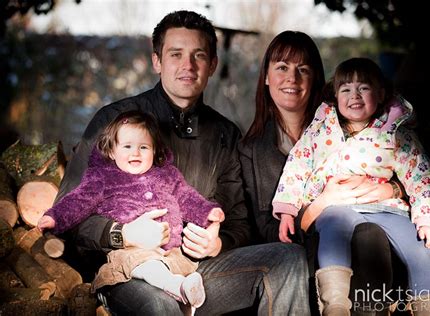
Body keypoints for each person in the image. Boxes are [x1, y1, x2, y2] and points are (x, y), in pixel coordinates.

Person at [55, 10, 310, 315]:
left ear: (212, 64)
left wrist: (218, 243)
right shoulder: (114, 122)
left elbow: (240, 223)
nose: (187, 66)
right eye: (175, 54)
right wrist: (121, 234)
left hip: (197, 271)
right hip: (129, 272)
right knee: (160, 303)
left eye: (198, 55)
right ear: (157, 61)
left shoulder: (225, 133)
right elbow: (70, 215)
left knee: (288, 258)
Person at [238, 31, 404, 315]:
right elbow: (268, 230)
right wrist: (323, 203)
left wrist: (391, 190)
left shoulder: (348, 120)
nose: (292, 78)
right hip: (307, 260)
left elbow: (402, 167)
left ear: (316, 78)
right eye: (282, 68)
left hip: (372, 242)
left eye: (303, 69)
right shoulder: (250, 149)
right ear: (266, 77)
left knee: (369, 237)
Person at [273, 57, 430, 315]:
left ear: (381, 93)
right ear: (335, 95)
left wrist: (427, 219)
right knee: (333, 228)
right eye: (346, 89)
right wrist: (287, 209)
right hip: (336, 205)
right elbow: (298, 164)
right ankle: (335, 305)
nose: (355, 96)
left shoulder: (394, 132)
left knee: (420, 247)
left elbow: (420, 175)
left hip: (386, 207)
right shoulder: (321, 129)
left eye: (363, 88)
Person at [38, 110, 225, 309]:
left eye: (143, 147)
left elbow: (187, 197)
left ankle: (183, 296)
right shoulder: (102, 178)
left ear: (154, 151)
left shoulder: (167, 175)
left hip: (170, 253)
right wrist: (55, 217)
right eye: (127, 146)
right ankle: (175, 287)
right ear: (111, 151)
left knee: (185, 266)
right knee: (144, 264)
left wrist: (207, 211)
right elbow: (78, 201)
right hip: (131, 252)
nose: (135, 153)